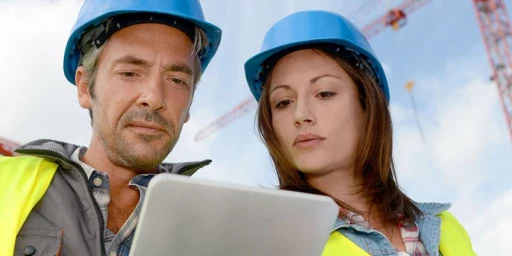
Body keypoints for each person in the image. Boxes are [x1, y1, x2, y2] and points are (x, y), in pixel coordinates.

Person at [244, 10, 476, 255]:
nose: (300, 115)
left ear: (367, 104)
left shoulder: (446, 225)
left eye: (324, 93)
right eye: (283, 102)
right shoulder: (268, 241)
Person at [0, 0, 222, 255]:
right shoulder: (4, 182)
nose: (155, 97)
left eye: (177, 80)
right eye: (130, 73)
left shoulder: (217, 227)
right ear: (85, 88)